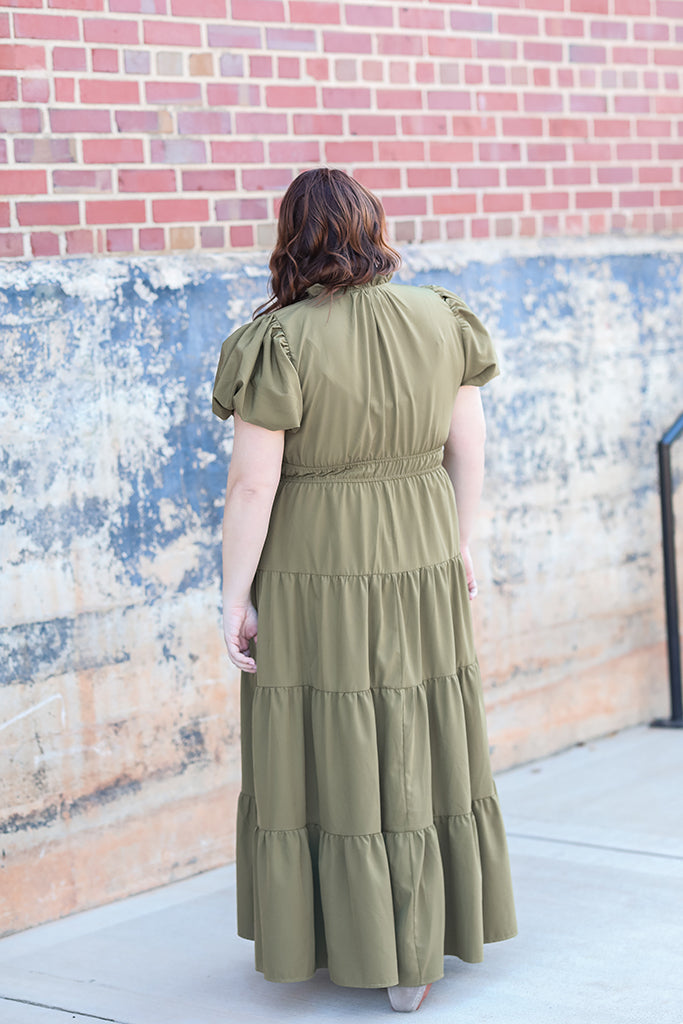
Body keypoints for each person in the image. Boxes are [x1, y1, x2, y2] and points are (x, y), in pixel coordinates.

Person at [212, 167, 518, 1013]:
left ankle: (341, 934)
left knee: (333, 739)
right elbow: (470, 447)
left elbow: (251, 487)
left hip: (319, 563)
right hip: (420, 546)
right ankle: (413, 956)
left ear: (291, 237)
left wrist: (232, 597)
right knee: (415, 730)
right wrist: (458, 542)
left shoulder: (278, 341)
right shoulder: (441, 318)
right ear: (372, 227)